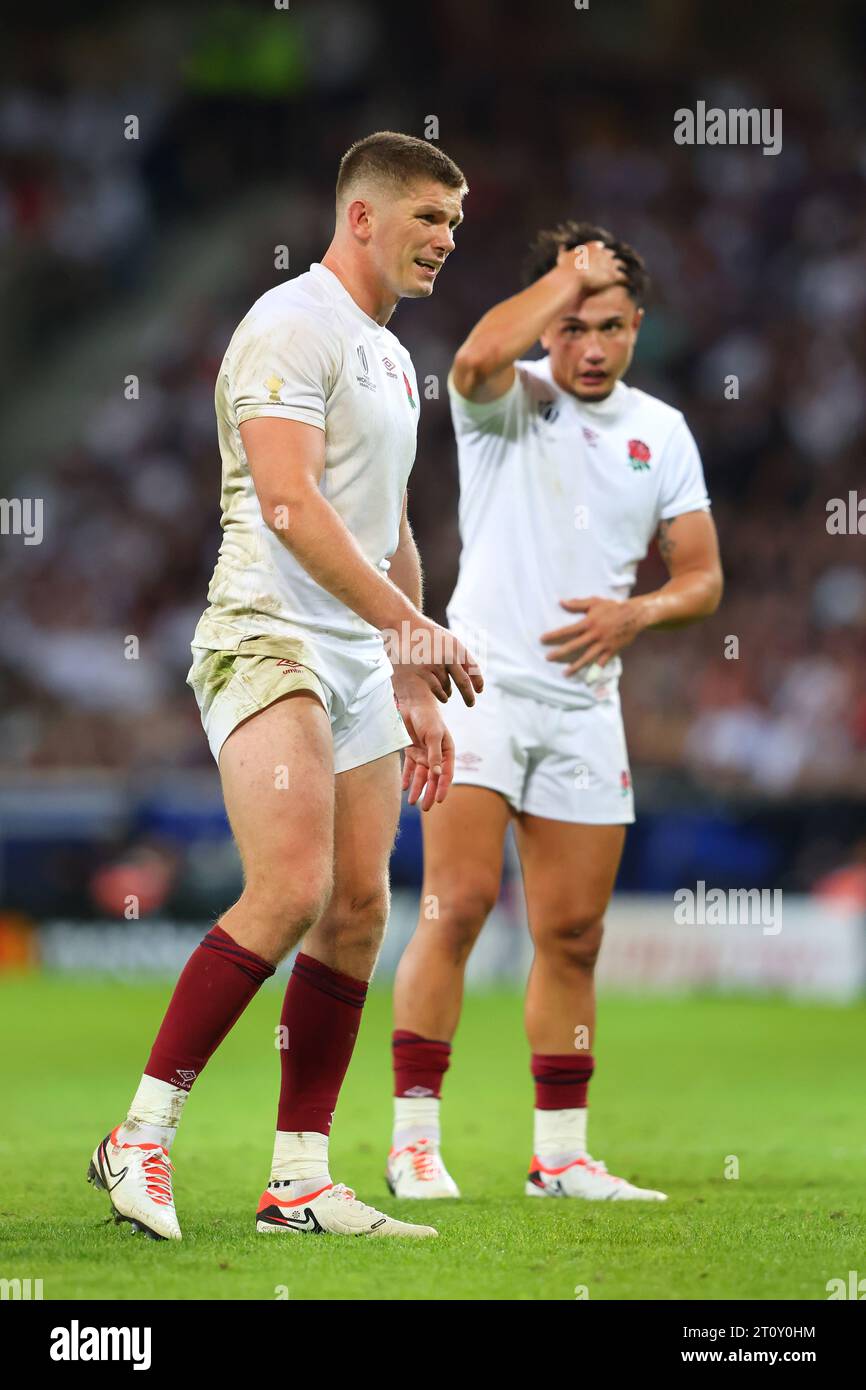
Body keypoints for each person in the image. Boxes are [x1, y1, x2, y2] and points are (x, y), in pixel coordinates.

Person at [88, 131, 482, 1241]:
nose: (446, 241)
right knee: (290, 886)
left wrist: (407, 671)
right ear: (360, 216)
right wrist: (411, 625)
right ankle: (140, 1136)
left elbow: (389, 521)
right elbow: (288, 505)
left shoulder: (392, 355)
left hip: (358, 656)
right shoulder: (288, 323)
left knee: (359, 908)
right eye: (427, 219)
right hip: (266, 635)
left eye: (454, 223)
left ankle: (297, 1180)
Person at [387, 222, 723, 1202]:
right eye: (572, 324)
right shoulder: (506, 401)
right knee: (455, 907)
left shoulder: (658, 432)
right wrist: (565, 276)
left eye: (609, 327)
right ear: (548, 320)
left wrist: (639, 610)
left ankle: (560, 1156)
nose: (587, 348)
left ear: (636, 329)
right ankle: (413, 1141)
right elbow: (475, 355)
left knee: (572, 935)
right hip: (480, 688)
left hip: (584, 707)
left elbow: (700, 578)